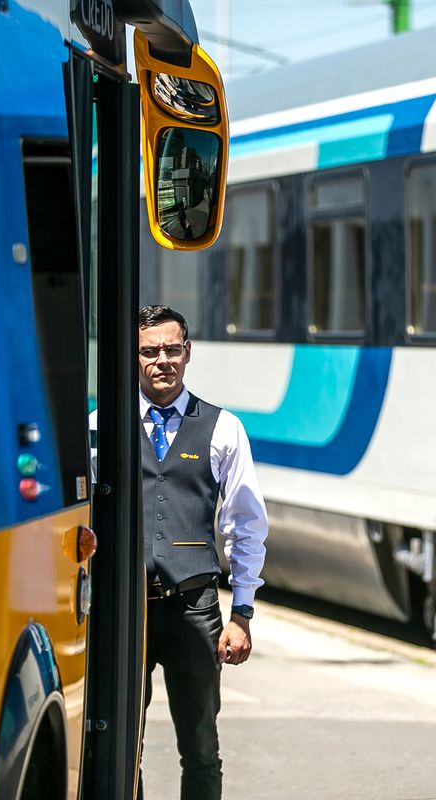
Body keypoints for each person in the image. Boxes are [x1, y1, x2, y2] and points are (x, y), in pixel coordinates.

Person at [135, 304, 267, 800]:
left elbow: (247, 524)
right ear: (134, 357)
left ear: (188, 353)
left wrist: (243, 614)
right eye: (149, 351)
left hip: (194, 607)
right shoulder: (101, 425)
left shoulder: (222, 428)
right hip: (127, 611)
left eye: (171, 349)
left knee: (200, 744)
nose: (161, 360)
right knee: (122, 739)